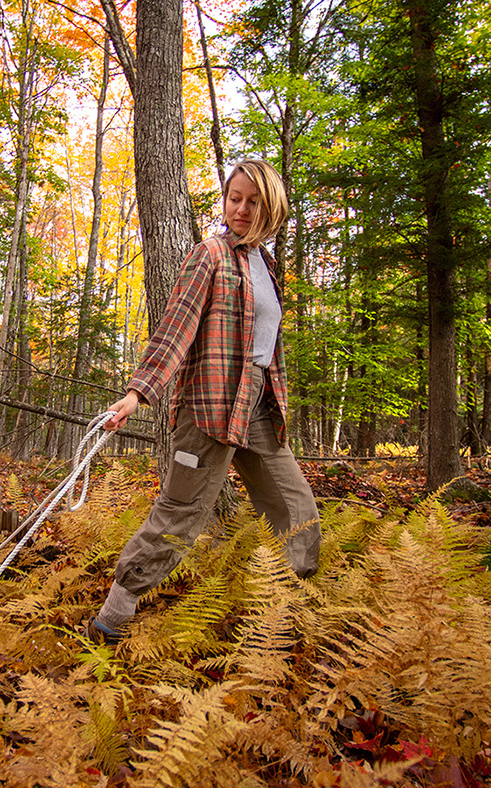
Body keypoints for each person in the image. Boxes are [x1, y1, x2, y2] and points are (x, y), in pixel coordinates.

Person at [87, 160, 321, 644]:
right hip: (209, 407)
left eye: (252, 201)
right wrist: (138, 393)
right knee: (181, 511)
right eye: (234, 197)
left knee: (296, 504)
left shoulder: (268, 265)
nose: (240, 208)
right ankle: (113, 615)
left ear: (270, 207)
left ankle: (290, 607)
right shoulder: (210, 255)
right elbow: (176, 328)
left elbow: (265, 343)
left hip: (257, 406)